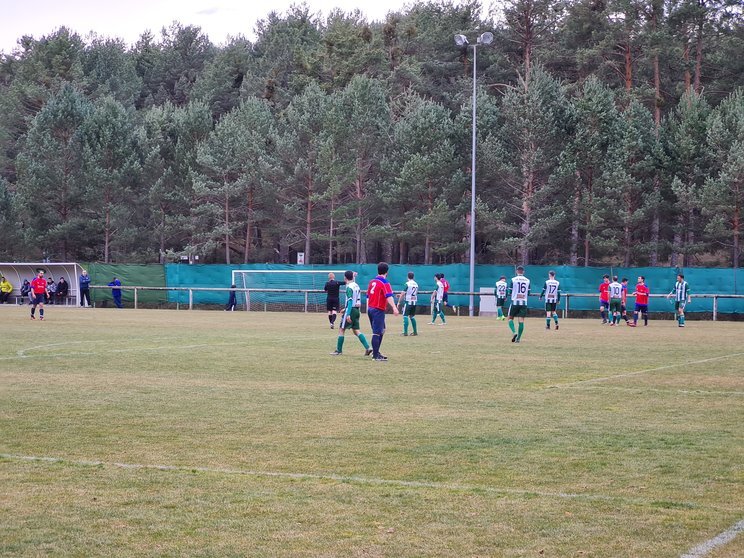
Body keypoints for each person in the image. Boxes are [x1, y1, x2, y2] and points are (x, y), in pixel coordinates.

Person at [331, 270, 372, 356]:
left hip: (351, 310)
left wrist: (348, 313)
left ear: (345, 277)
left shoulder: (349, 287)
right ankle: (368, 348)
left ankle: (339, 350)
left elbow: (350, 301)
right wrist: (345, 309)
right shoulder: (356, 285)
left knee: (341, 330)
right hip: (357, 310)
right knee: (356, 330)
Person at [367, 262, 399, 361]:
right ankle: (375, 356)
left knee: (382, 330)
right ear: (387, 272)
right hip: (377, 310)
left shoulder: (372, 282)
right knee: (377, 332)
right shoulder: (384, 282)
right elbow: (389, 296)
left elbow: (368, 296)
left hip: (370, 309)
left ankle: (376, 352)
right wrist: (394, 307)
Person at [507, 266, 530, 343]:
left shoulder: (513, 280)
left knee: (510, 318)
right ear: (523, 272)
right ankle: (518, 338)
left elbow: (510, 292)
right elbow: (529, 293)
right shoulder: (527, 280)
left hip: (515, 302)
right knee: (521, 320)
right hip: (524, 303)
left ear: (517, 271)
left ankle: (514, 332)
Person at [397, 271, 419, 336]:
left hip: (408, 302)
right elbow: (413, 293)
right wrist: (401, 295)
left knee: (405, 316)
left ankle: (405, 332)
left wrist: (399, 302)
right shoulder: (416, 284)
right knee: (412, 316)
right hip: (414, 302)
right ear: (413, 277)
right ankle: (415, 332)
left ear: (407, 277)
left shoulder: (407, 284)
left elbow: (403, 293)